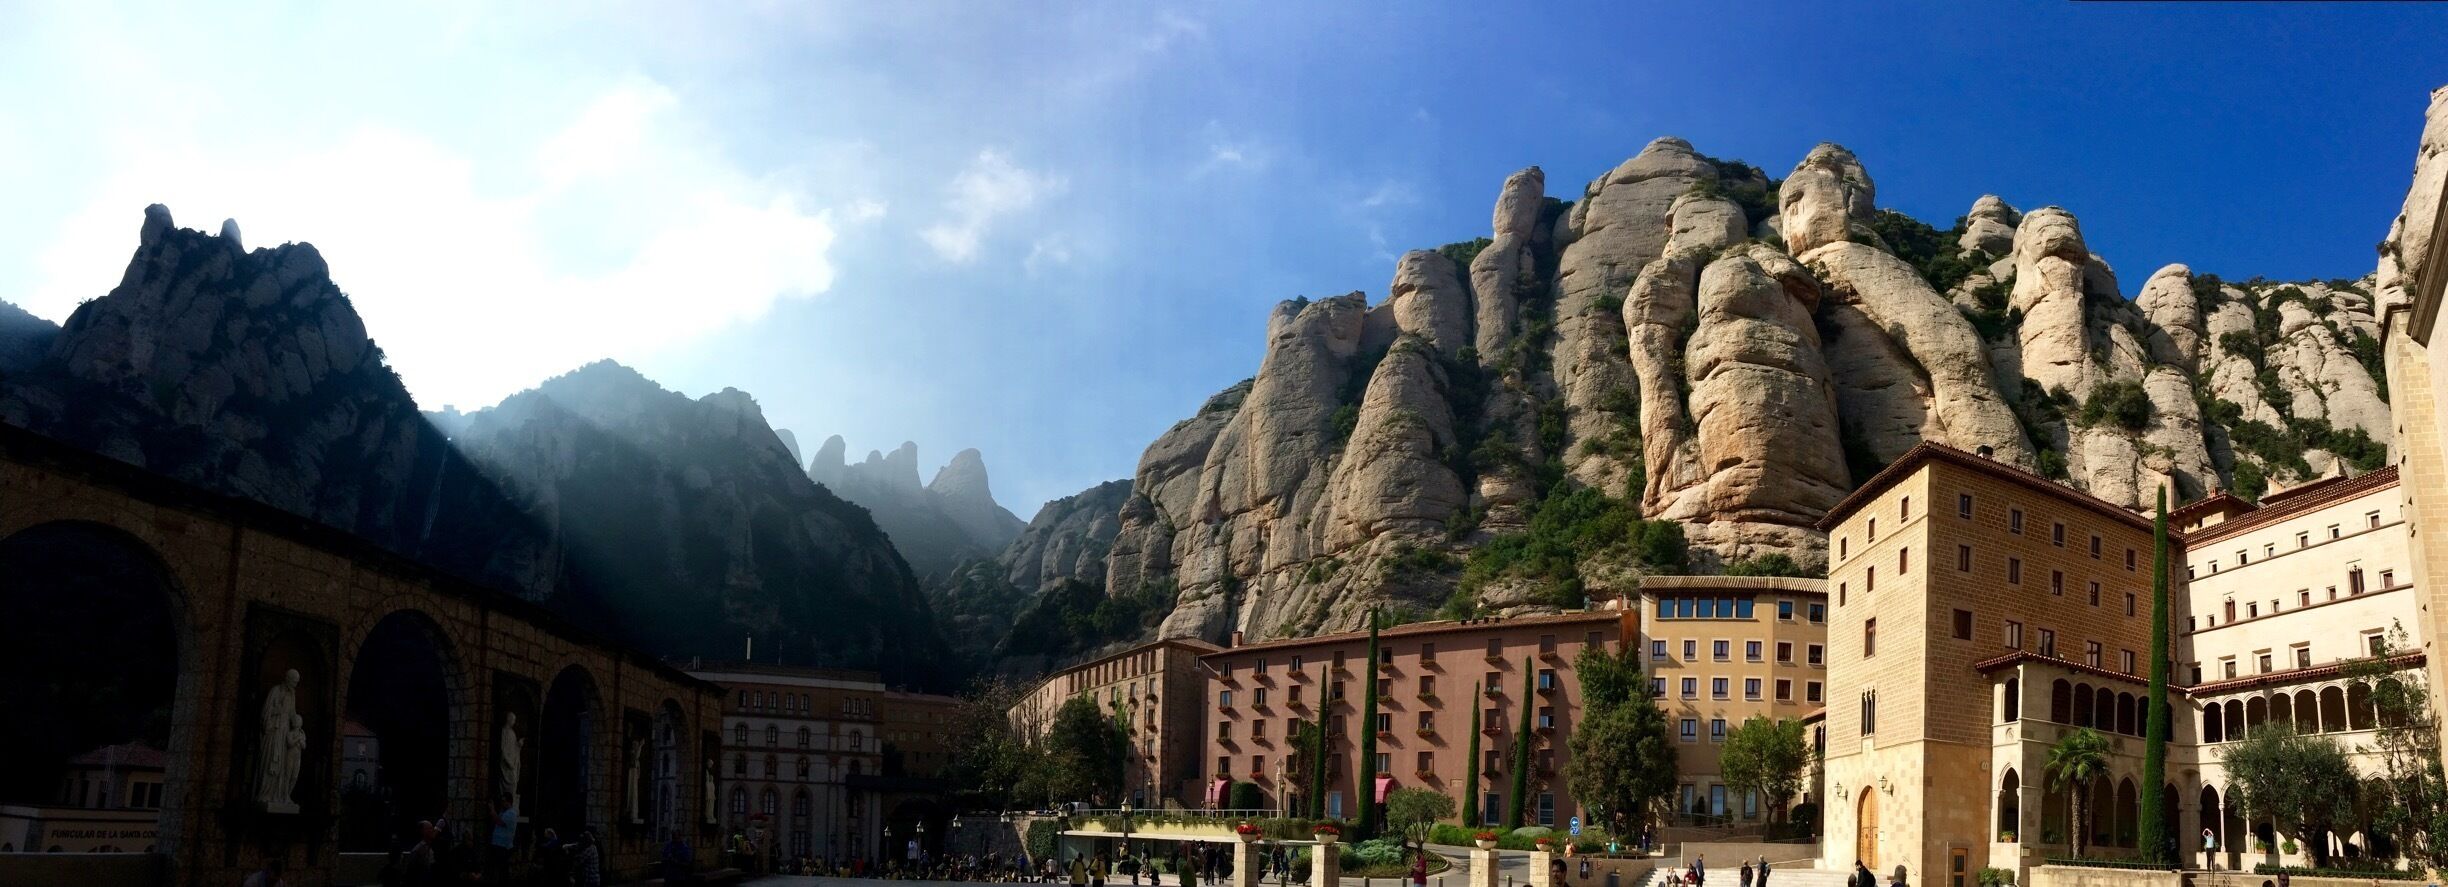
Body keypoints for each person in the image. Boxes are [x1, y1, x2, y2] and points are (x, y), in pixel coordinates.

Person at [487, 794, 517, 884]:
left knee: (502, 869)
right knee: (499, 868)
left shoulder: (511, 813)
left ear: (509, 802)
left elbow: (499, 821)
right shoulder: (504, 812)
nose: (502, 803)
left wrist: (492, 809)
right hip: (498, 844)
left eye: (504, 801)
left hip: (503, 846)